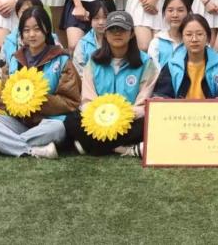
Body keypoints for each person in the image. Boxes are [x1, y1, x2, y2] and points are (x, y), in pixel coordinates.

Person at [0, 7, 81, 158]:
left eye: (37, 29)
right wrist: (16, 102)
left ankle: (2, 144)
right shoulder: (14, 60)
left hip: (48, 123)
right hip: (20, 123)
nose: (31, 34)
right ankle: (31, 149)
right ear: (21, 34)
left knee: (58, 127)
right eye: (26, 30)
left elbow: (72, 102)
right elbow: (2, 99)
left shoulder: (61, 60)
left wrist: (37, 101)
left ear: (46, 30)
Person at [65, 10, 156, 158]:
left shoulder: (146, 63)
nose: (117, 33)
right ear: (105, 34)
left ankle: (94, 146)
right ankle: (122, 148)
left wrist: (121, 117)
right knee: (71, 120)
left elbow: (143, 103)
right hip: (99, 119)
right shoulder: (94, 61)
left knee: (149, 121)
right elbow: (88, 99)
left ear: (132, 34)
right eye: (112, 29)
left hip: (129, 120)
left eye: (122, 29)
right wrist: (101, 118)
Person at [152, 14, 218, 99]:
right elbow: (162, 94)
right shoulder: (172, 66)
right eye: (189, 35)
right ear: (182, 38)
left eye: (199, 34)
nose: (194, 39)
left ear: (207, 37)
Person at [147, 0, 190, 69]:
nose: (175, 15)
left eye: (180, 10)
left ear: (189, 13)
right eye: (170, 10)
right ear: (164, 13)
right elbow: (153, 71)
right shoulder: (156, 42)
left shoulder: (195, 40)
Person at [71, 0, 113, 74]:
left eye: (105, 17)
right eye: (96, 18)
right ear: (90, 20)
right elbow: (78, 70)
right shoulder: (83, 44)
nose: (101, 22)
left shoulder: (118, 40)